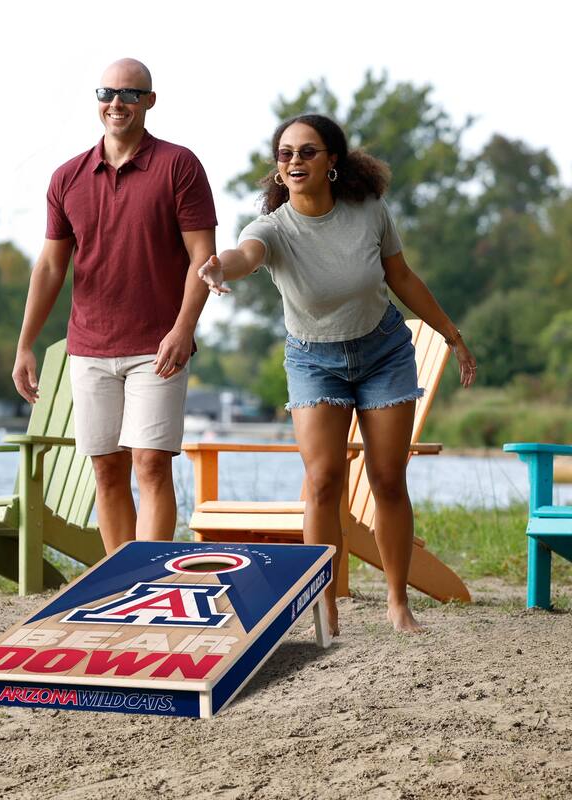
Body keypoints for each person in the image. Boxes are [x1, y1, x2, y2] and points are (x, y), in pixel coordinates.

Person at [198, 114, 476, 634]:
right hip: (312, 360)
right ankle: (324, 606)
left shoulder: (369, 211)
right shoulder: (272, 228)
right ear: (277, 169)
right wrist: (219, 267)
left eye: (307, 151)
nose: (295, 161)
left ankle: (397, 603)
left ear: (332, 162)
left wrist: (451, 335)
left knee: (388, 480)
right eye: (285, 154)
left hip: (384, 353)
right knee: (323, 480)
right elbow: (244, 255)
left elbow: (402, 277)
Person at [12, 58, 217, 555]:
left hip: (158, 346)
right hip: (90, 346)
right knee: (106, 468)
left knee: (150, 462)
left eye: (129, 94)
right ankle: (122, 584)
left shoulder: (178, 165)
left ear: (150, 101)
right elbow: (49, 269)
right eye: (108, 93)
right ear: (98, 100)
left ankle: (149, 582)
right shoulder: (67, 177)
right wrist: (24, 346)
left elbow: (203, 258)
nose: (117, 103)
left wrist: (183, 329)